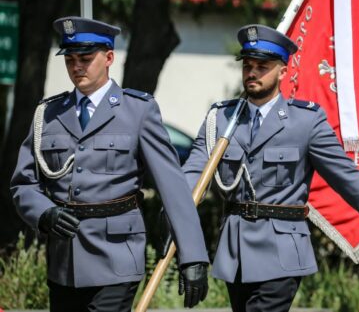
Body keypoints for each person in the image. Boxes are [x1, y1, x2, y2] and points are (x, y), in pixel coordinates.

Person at [179, 24, 359, 312]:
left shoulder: (305, 122)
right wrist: (189, 250)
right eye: (248, 66)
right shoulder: (221, 118)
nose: (252, 73)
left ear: (282, 72)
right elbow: (185, 185)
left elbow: (347, 179)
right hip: (236, 251)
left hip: (282, 253)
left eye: (262, 66)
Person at [10, 16, 210, 312]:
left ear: (109, 58)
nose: (77, 66)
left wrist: (193, 256)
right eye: (70, 59)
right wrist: (43, 213)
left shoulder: (137, 111)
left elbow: (173, 188)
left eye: (86, 58)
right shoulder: (48, 114)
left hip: (116, 258)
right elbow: (24, 183)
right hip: (64, 263)